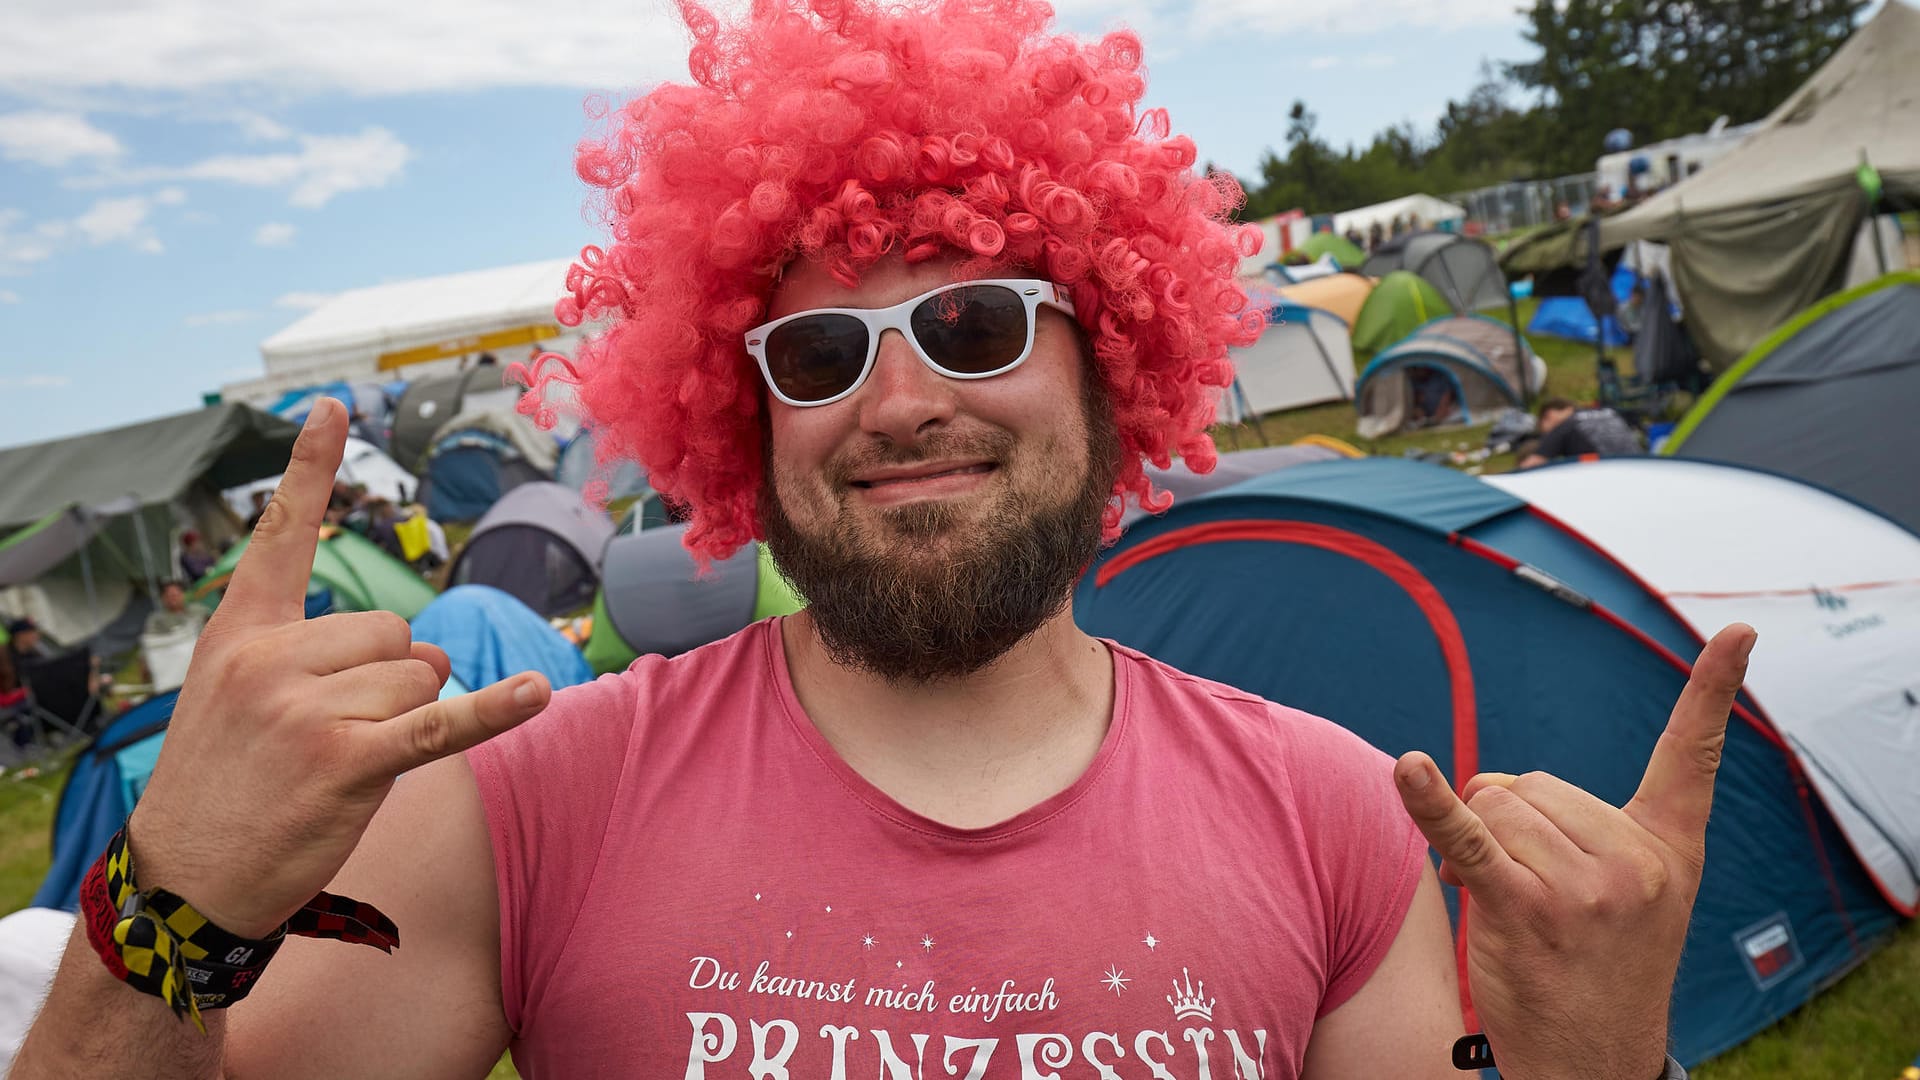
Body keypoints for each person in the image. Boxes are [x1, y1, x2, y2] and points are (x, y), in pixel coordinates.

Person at [16, 4, 1745, 1078]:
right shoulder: (527, 802)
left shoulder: (1328, 817)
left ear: (1112, 353)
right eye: (823, 351)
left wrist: (1594, 1055)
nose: (903, 400)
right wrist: (162, 910)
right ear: (740, 410)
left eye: (980, 326)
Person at [1519, 397, 1645, 468]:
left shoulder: (1565, 426)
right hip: (1639, 467)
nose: (1547, 436)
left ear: (1549, 415)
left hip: (1605, 477)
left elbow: (1531, 465)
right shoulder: (1608, 412)